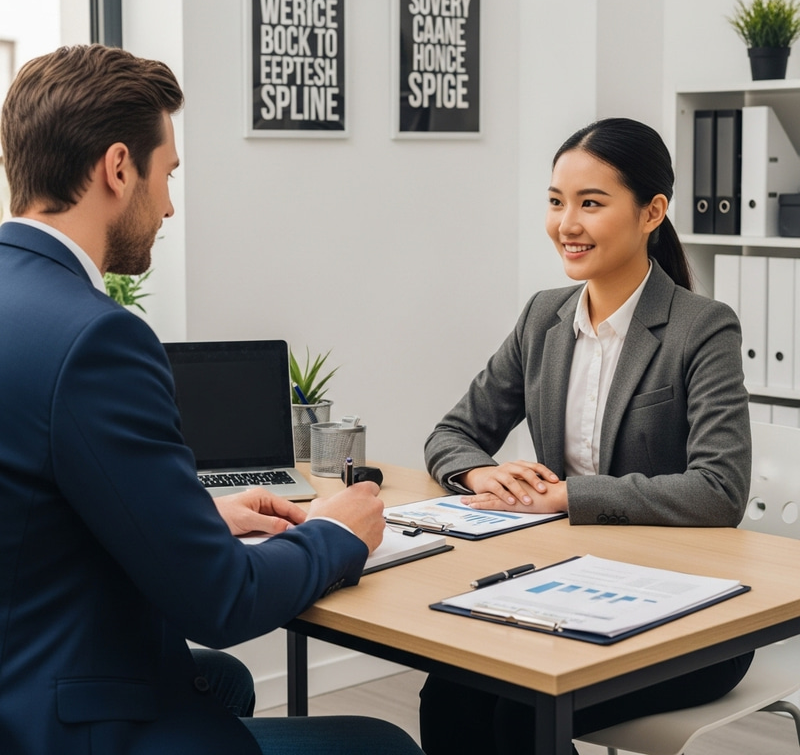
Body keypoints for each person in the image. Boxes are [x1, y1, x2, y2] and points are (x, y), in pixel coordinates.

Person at [0, 44, 423, 755]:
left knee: (221, 685)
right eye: (166, 175)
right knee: (381, 744)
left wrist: (192, 520)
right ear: (117, 168)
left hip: (20, 665)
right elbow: (221, 603)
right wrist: (337, 532)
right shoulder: (97, 339)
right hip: (59, 727)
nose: (168, 206)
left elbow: (34, 511)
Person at [419, 118, 753, 755]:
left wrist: (566, 496)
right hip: (563, 590)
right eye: (556, 202)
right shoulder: (543, 317)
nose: (566, 224)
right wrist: (480, 471)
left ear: (652, 212)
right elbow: (452, 433)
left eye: (590, 204)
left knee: (523, 713)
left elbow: (719, 490)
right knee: (450, 693)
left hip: (689, 611)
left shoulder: (702, 327)